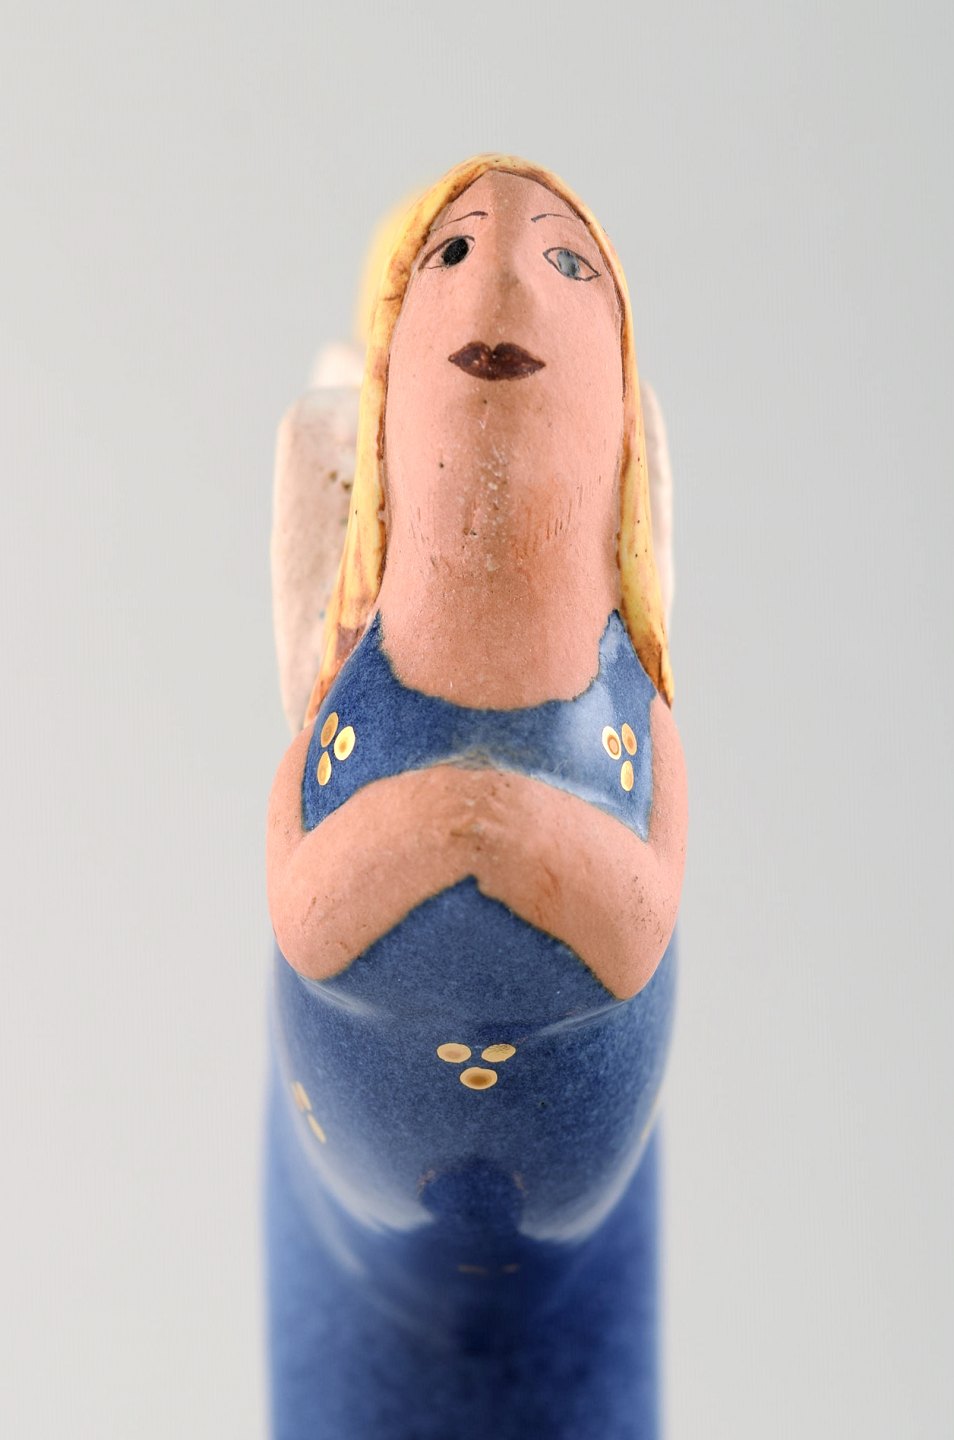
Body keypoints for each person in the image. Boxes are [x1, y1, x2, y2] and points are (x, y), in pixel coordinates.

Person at [264, 154, 687, 1439]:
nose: (502, 278)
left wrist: (477, 825)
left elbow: (635, 927)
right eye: (450, 254)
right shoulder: (348, 697)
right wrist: (456, 824)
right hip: (354, 1246)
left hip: (572, 1267)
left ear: (624, 417)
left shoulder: (630, 713)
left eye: (566, 262)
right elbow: (305, 909)